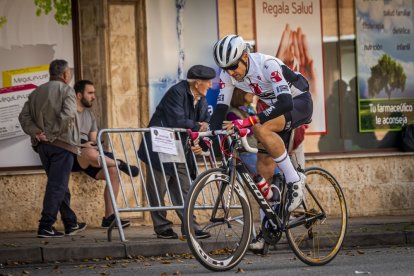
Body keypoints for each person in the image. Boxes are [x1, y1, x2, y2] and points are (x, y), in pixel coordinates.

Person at [211, 34, 313, 217]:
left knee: (260, 128)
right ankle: (267, 229)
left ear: (244, 56)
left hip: (297, 101)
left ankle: (294, 179)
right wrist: (204, 136)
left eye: (233, 66)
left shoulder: (267, 65)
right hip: (273, 106)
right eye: (225, 68)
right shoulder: (228, 75)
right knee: (263, 164)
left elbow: (285, 103)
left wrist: (250, 120)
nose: (230, 72)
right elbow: (220, 109)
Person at [138, 65, 214, 239]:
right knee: (159, 189)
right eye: (208, 82)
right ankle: (162, 227)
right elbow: (177, 120)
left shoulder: (200, 97)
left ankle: (191, 228)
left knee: (184, 188)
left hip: (179, 147)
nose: (210, 86)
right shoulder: (177, 92)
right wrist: (197, 126)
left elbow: (205, 120)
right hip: (161, 144)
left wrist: (202, 136)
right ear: (197, 83)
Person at [18, 59, 86, 238]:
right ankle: (46, 225)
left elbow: (23, 117)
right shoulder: (67, 90)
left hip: (43, 147)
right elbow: (68, 115)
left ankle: (70, 223)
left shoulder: (36, 92)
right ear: (65, 75)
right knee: (57, 185)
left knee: (59, 184)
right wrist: (52, 134)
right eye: (69, 74)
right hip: (61, 144)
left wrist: (36, 132)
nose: (69, 77)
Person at [71, 80, 139, 228]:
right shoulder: (68, 112)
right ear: (78, 95)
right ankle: (120, 163)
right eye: (90, 93)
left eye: (94, 93)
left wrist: (95, 145)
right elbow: (62, 136)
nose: (94, 96)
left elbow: (93, 138)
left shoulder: (89, 115)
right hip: (71, 153)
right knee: (91, 152)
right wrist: (82, 145)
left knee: (113, 171)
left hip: (88, 154)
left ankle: (109, 217)